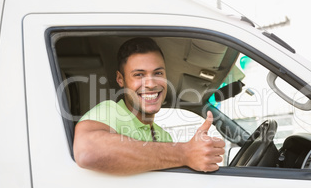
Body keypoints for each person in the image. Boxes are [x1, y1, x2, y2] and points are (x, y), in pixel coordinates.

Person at [73, 37, 225, 175]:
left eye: (158, 73)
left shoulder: (164, 136)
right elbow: (88, 152)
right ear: (120, 79)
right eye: (139, 75)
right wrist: (185, 153)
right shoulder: (110, 111)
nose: (151, 84)